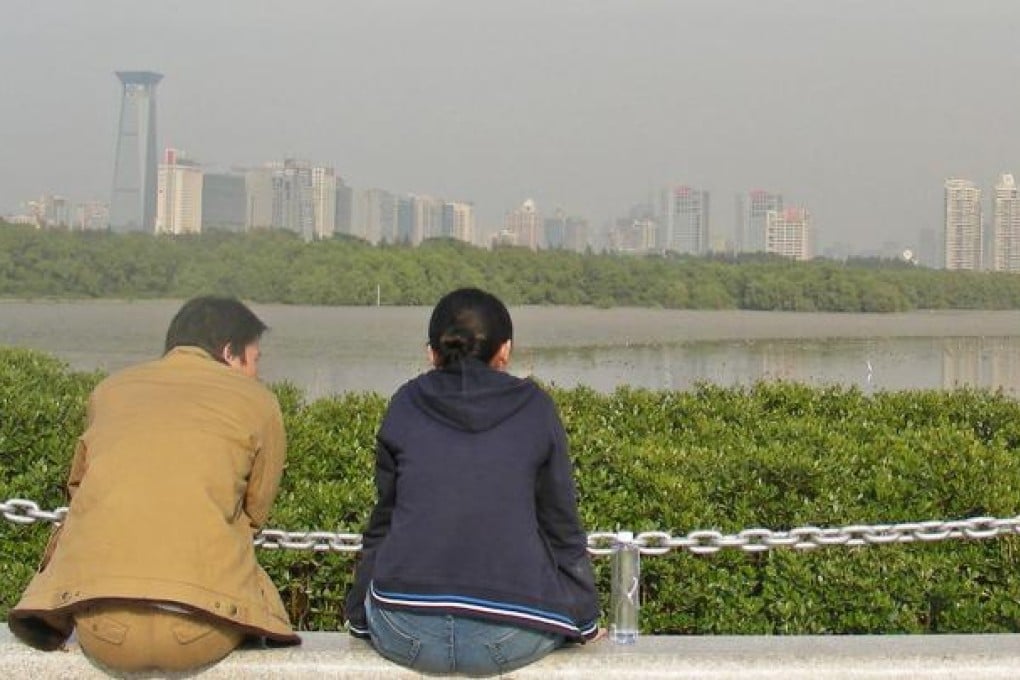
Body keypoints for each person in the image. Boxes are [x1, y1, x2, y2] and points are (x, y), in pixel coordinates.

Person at [7, 295, 300, 673]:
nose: (257, 372)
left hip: (101, 631)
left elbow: (78, 490)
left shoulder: (109, 391)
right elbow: (255, 512)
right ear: (230, 353)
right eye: (255, 359)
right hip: (201, 633)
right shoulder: (259, 402)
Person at [345, 287, 599, 676]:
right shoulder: (535, 408)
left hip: (403, 628)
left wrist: (358, 615)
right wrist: (584, 619)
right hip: (510, 633)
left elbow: (385, 520)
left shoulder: (405, 403)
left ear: (431, 352)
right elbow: (560, 526)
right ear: (505, 352)